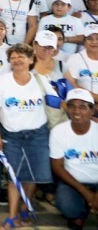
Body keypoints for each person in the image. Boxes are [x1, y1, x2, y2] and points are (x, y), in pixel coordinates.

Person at [0, 43, 54, 230]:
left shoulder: (41, 80)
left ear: (31, 60)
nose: (17, 60)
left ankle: (25, 208)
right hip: (12, 136)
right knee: (13, 177)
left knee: (31, 176)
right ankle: (12, 216)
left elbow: (56, 103)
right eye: (13, 57)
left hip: (38, 135)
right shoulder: (2, 82)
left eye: (21, 57)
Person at [49, 88, 98, 230]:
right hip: (72, 182)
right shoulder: (58, 131)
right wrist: (87, 194)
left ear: (92, 110)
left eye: (83, 107)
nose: (77, 111)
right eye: (72, 106)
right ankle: (80, 214)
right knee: (68, 206)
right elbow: (57, 167)